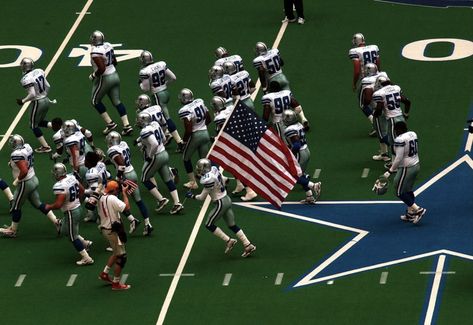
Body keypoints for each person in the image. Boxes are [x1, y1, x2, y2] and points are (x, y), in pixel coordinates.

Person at [186, 159, 256, 257]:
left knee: (209, 224)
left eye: (200, 168)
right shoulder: (214, 169)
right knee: (232, 225)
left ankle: (229, 240)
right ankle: (247, 244)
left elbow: (202, 197)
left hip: (220, 202)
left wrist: (192, 196)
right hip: (226, 198)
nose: (198, 170)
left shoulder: (207, 180)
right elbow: (222, 180)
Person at [0, 135, 60, 238]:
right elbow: (24, 162)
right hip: (33, 179)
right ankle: (56, 221)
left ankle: (13, 230)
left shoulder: (16, 154)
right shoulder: (27, 147)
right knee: (38, 204)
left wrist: (17, 180)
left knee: (15, 206)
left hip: (25, 182)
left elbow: (24, 170)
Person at [106, 131, 156, 235]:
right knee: (138, 200)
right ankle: (148, 224)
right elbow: (120, 159)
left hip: (125, 177)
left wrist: (118, 177)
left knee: (115, 201)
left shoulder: (112, 149)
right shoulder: (124, 144)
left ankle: (131, 221)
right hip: (132, 173)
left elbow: (121, 165)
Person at [45, 163, 94, 266]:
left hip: (71, 212)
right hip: (77, 208)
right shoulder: (72, 177)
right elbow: (81, 190)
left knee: (72, 237)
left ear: (57, 174)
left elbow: (58, 204)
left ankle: (86, 258)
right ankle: (85, 243)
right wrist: (77, 201)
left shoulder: (59, 186)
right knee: (65, 230)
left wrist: (49, 206)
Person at [136, 112, 184, 215]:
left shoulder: (145, 131)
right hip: (164, 153)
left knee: (144, 179)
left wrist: (150, 155)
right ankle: (177, 203)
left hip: (156, 156)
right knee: (167, 179)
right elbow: (163, 138)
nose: (138, 122)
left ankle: (161, 199)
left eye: (139, 120)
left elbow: (154, 143)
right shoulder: (155, 124)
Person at [138, 50, 184, 152]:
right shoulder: (161, 64)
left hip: (157, 95)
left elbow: (145, 89)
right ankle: (166, 135)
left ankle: (179, 142)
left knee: (166, 118)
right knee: (159, 116)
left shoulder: (144, 71)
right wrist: (165, 84)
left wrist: (140, 83)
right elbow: (173, 78)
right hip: (166, 92)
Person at [89, 30, 133, 136]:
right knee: (117, 101)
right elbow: (114, 61)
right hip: (115, 75)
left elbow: (102, 69)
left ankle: (110, 123)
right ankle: (127, 125)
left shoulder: (95, 51)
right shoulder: (108, 45)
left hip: (105, 78)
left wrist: (93, 75)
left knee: (95, 101)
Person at [382, 121, 426, 223]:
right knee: (407, 190)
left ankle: (418, 209)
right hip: (416, 164)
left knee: (399, 192)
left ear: (398, 130)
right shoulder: (413, 134)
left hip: (407, 167)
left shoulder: (400, 139)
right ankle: (411, 213)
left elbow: (398, 158)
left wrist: (390, 170)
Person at [97, 180, 132, 290]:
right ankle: (116, 284)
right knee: (122, 257)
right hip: (112, 230)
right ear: (114, 190)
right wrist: (125, 193)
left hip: (105, 228)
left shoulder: (101, 196)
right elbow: (126, 207)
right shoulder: (112, 199)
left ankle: (104, 273)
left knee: (116, 252)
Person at [282, 110, 322, 204]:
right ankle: (309, 196)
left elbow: (296, 144)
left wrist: (291, 154)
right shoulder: (299, 125)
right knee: (301, 174)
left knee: (294, 176)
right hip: (306, 150)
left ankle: (313, 185)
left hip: (300, 153)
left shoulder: (289, 130)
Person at [16, 57, 54, 153]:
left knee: (33, 125)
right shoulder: (39, 71)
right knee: (39, 122)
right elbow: (48, 86)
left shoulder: (25, 79)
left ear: (25, 66)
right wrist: (44, 95)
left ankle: (46, 147)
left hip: (38, 102)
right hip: (46, 99)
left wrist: (23, 101)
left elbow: (32, 94)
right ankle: (60, 127)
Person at [372, 76, 411, 169]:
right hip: (400, 117)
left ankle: (396, 164)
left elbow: (379, 108)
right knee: (403, 139)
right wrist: (405, 114)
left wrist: (375, 115)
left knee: (395, 142)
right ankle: (404, 159)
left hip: (392, 119)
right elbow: (407, 101)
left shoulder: (379, 93)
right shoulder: (396, 88)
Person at [178, 88, 211, 189]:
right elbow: (209, 119)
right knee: (204, 160)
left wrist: (184, 141)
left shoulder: (184, 110)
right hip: (205, 133)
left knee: (186, 158)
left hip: (195, 135)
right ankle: (211, 181)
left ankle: (193, 182)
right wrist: (202, 127)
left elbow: (188, 129)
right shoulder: (200, 102)